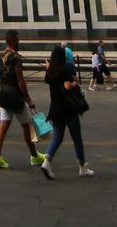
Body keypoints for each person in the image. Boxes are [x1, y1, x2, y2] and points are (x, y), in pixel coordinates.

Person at [38, 45, 93, 179]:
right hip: (68, 108)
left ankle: (46, 162)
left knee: (57, 137)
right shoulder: (65, 69)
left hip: (56, 109)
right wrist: (75, 84)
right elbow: (67, 86)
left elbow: (48, 79)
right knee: (76, 138)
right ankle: (82, 167)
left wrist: (48, 67)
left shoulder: (50, 71)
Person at [0, 31, 42, 169]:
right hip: (15, 96)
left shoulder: (0, 55)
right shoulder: (15, 57)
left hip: (3, 93)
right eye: (17, 39)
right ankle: (35, 156)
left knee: (4, 123)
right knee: (27, 125)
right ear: (13, 41)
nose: (19, 41)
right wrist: (28, 99)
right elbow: (20, 79)